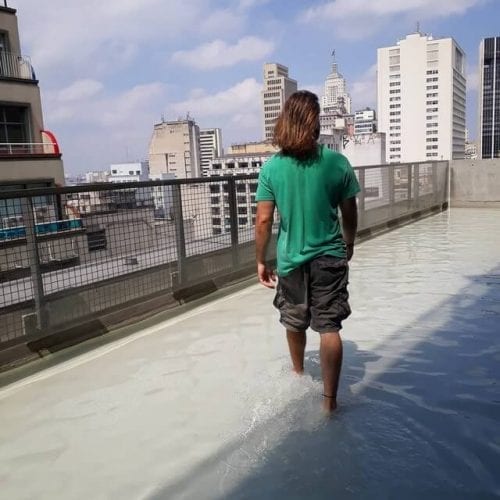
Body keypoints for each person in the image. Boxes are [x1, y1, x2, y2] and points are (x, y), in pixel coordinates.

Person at [255, 90, 359, 412]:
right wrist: (349, 243)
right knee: (329, 327)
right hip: (330, 255)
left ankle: (298, 376)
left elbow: (263, 221)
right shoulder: (337, 163)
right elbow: (350, 213)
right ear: (315, 123)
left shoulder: (272, 168)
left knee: (294, 321)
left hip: (290, 259)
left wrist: (261, 259)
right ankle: (329, 404)